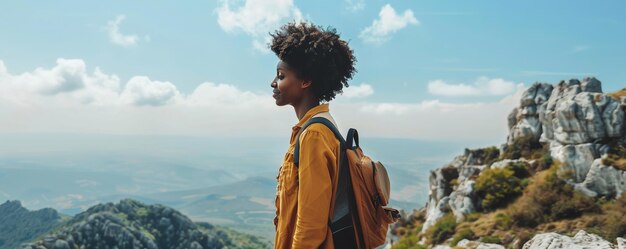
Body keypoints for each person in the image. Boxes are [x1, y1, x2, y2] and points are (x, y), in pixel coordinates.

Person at [269, 21, 357, 249]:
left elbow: (311, 228)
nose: (273, 83)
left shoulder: (314, 135)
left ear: (306, 81)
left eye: (280, 76)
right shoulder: (318, 126)